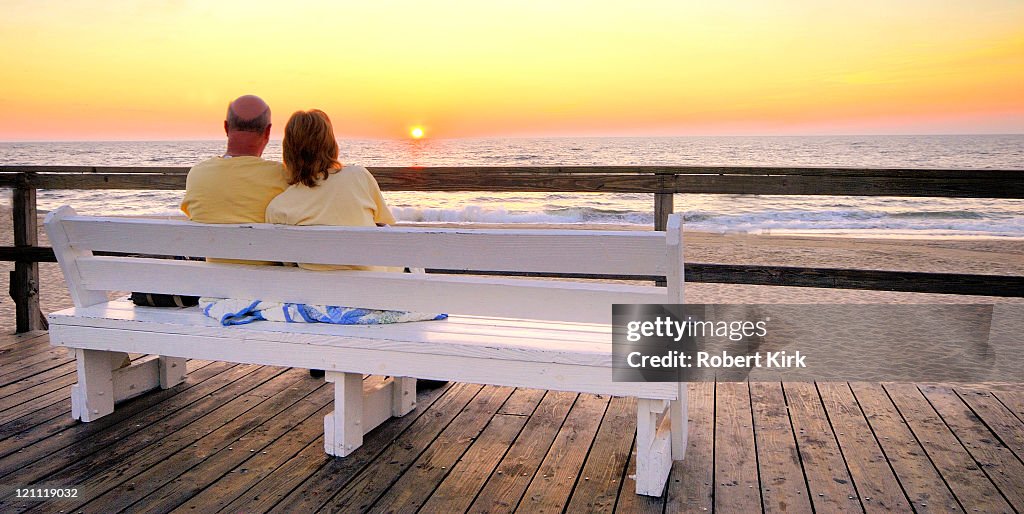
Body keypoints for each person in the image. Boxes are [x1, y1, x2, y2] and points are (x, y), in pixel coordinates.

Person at [265, 109, 396, 270]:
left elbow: (288, 263)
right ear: (331, 144)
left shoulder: (277, 208)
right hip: (379, 288)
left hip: (320, 293)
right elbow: (383, 224)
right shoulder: (358, 176)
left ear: (288, 150)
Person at [180, 94, 290, 265]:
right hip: (268, 288)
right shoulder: (282, 176)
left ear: (226, 127)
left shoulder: (197, 174)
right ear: (267, 131)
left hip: (214, 287)